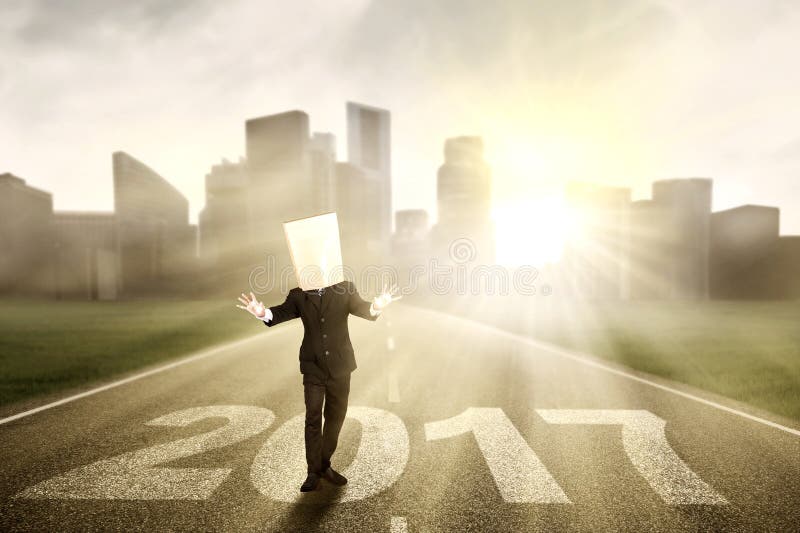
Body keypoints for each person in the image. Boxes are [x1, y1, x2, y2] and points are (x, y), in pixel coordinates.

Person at [237, 281, 400, 492]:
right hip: (313, 366)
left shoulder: (345, 288)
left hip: (341, 366)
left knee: (336, 416)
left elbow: (365, 310)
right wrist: (261, 312)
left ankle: (324, 464)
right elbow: (278, 314)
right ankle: (313, 472)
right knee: (313, 418)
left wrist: (377, 306)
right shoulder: (299, 294)